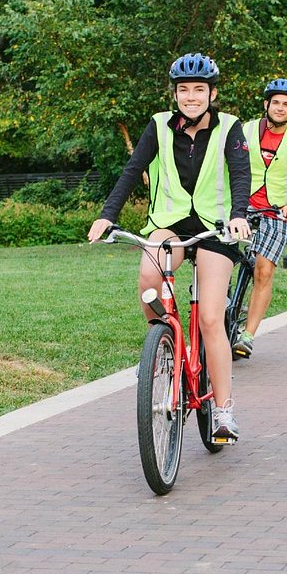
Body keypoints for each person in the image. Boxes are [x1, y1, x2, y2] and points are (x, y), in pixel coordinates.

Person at [87, 53, 250, 438]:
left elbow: (240, 174)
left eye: (198, 90)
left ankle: (224, 410)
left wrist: (240, 214)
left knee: (210, 318)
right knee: (149, 275)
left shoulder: (230, 128)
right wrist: (107, 214)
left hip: (216, 228)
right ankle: (164, 352)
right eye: (183, 90)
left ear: (211, 93)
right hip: (169, 224)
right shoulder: (159, 125)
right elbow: (131, 171)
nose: (190, 96)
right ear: (174, 93)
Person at [232, 77, 287, 360]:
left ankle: (247, 335)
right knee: (218, 258)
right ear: (266, 105)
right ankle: (220, 304)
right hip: (241, 206)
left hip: (277, 209)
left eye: (286, 104)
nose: (280, 108)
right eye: (276, 103)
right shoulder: (245, 130)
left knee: (263, 269)